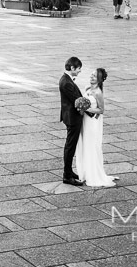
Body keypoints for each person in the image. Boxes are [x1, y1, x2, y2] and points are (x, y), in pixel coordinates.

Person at [74, 68, 117, 187]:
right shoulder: (87, 88)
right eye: (91, 75)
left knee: (92, 146)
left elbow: (101, 110)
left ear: (99, 79)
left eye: (94, 76)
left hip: (92, 122)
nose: (91, 77)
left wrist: (85, 108)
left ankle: (93, 174)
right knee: (84, 145)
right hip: (84, 121)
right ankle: (85, 171)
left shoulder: (98, 92)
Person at [58, 56, 84, 186]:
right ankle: (67, 175)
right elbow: (76, 100)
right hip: (72, 118)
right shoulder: (66, 82)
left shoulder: (66, 79)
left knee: (71, 146)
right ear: (72, 68)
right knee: (70, 146)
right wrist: (92, 112)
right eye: (78, 69)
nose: (79, 71)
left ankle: (69, 172)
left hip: (71, 117)